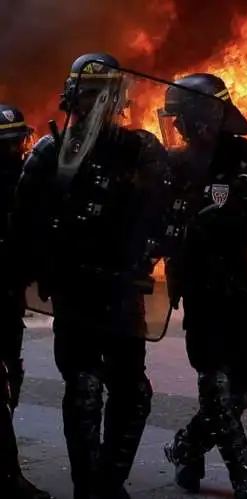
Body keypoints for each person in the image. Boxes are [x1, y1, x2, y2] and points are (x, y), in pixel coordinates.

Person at [9, 53, 170, 499]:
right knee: (106, 389)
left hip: (109, 290)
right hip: (86, 290)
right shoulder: (58, 152)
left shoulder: (134, 150)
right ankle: (99, 487)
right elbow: (23, 224)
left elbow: (166, 215)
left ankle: (99, 486)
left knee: (111, 389)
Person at [159, 73, 247, 499]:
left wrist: (243, 212)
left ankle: (188, 445)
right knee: (218, 385)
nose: (176, 127)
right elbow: (157, 226)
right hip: (200, 289)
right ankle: (246, 479)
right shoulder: (173, 166)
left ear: (206, 117)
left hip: (242, 286)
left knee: (246, 383)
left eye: (182, 118)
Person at [0, 103, 53, 499]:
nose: (16, 150)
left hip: (8, 298)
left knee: (9, 381)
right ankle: (7, 473)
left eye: (16, 142)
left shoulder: (27, 181)